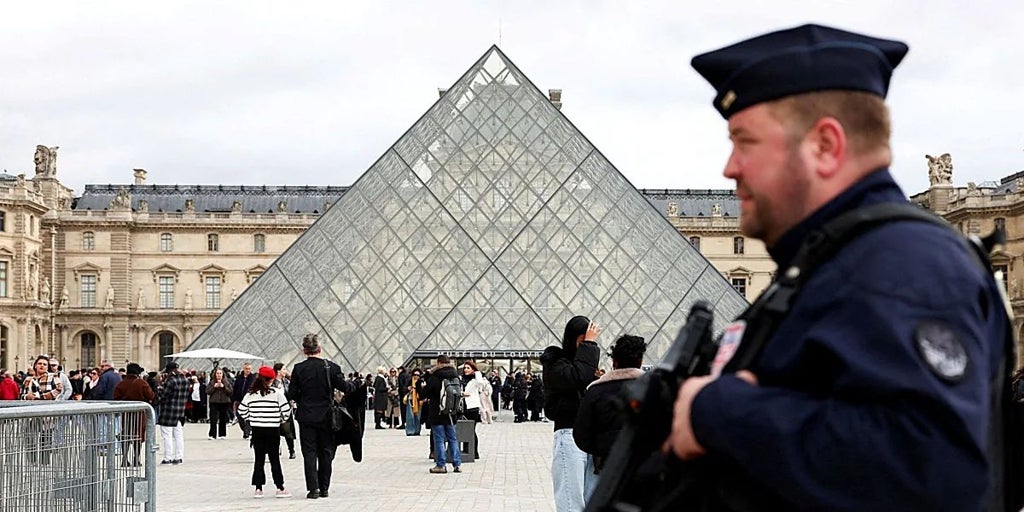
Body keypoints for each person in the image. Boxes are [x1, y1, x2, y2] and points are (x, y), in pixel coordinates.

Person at [661, 23, 1013, 511]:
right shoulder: (837, 262)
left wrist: (719, 411)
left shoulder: (903, 264)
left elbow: (931, 470)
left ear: (825, 146)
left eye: (745, 141)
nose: (730, 167)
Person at [573, 334, 646, 501]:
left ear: (614, 362)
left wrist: (600, 449)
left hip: (607, 467)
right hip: (644, 467)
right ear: (640, 361)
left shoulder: (595, 391)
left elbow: (581, 435)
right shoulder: (654, 389)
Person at [540, 316, 600, 512]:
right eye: (583, 342)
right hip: (569, 434)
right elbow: (577, 377)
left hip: (590, 438)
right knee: (570, 503)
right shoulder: (555, 362)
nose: (586, 347)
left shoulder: (584, 365)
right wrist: (590, 346)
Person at [285, 333, 352, 500]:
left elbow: (291, 394)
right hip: (326, 416)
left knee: (309, 453)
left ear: (304, 350)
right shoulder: (331, 367)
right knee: (326, 452)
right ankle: (324, 488)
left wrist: (304, 400)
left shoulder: (298, 368)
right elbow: (345, 387)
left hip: (306, 416)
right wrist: (355, 384)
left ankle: (313, 489)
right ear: (320, 349)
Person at [237, 365, 293, 499]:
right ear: (271, 380)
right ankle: (280, 487)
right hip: (273, 429)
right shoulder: (276, 393)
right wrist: (279, 419)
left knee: (259, 459)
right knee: (275, 459)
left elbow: (241, 411)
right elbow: (286, 411)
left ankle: (258, 488)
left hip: (257, 430)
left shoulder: (250, 394)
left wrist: (252, 418)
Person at [423, 355, 461, 474]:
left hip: (437, 412)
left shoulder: (435, 377)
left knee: (439, 440)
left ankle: (441, 465)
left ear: (439, 363)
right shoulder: (455, 376)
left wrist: (426, 378)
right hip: (451, 412)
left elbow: (424, 394)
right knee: (453, 439)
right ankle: (457, 464)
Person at [113, 363, 155, 467]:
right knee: (138, 436)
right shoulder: (141, 383)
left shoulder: (121, 383)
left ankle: (124, 459)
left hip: (126, 413)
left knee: (126, 435)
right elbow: (151, 395)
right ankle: (136, 459)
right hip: (139, 413)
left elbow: (115, 398)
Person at [157, 362, 189, 465]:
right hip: (180, 411)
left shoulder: (170, 381)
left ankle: (168, 458)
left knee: (167, 436)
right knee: (178, 435)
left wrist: (159, 391)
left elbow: (164, 397)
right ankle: (179, 457)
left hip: (168, 411)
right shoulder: (185, 380)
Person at [232, 363, 257, 439]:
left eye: (249, 369)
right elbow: (235, 388)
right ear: (243, 369)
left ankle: (247, 432)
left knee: (248, 416)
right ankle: (245, 430)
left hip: (249, 400)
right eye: (246, 369)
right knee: (240, 416)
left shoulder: (253, 378)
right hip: (239, 400)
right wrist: (234, 398)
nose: (248, 370)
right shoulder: (239, 378)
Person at [206, 368, 232, 439]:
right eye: (217, 373)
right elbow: (207, 391)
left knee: (223, 419)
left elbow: (230, 392)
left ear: (223, 374)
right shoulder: (212, 382)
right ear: (215, 374)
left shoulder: (227, 382)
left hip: (224, 402)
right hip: (214, 402)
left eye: (220, 373)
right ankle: (212, 434)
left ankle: (222, 434)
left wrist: (224, 387)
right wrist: (214, 387)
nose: (219, 375)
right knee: (213, 419)